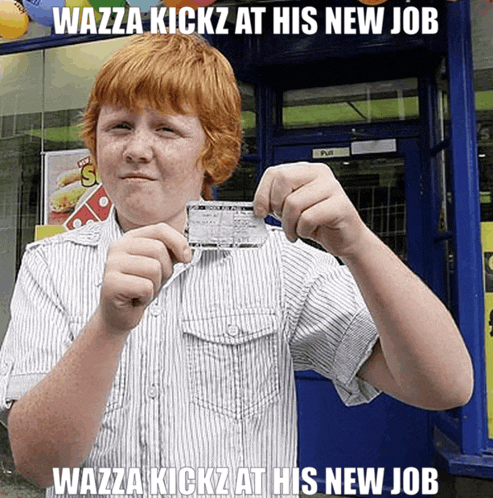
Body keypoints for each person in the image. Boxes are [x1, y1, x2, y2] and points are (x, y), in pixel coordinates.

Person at [0, 32, 472, 497]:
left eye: (166, 128)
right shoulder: (51, 265)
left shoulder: (278, 261)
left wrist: (358, 245)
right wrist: (107, 327)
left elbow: (445, 385)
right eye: (119, 126)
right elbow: (39, 464)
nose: (137, 148)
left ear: (212, 149)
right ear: (96, 142)